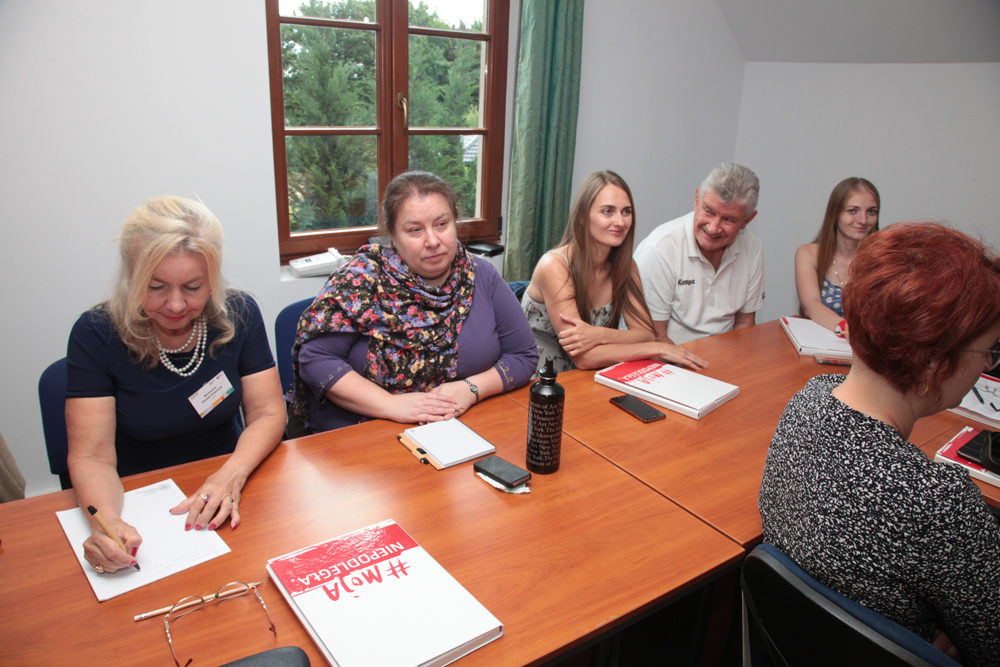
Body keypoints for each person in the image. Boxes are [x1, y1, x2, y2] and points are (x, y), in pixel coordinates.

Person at [759, 223, 1000, 666]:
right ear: (933, 365)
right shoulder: (939, 503)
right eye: (988, 350)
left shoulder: (806, 401)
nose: (988, 363)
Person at [66, 196, 286, 575]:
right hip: (137, 497)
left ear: (213, 278)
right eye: (155, 287)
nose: (175, 305)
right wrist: (108, 522)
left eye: (193, 286)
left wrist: (231, 476)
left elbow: (268, 413)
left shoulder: (240, 313)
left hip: (231, 479)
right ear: (131, 276)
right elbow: (92, 456)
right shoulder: (96, 333)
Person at [290, 171, 538, 433]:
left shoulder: (480, 274)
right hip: (362, 432)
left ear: (455, 221)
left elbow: (523, 355)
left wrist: (472, 388)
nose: (433, 241)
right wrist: (390, 404)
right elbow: (314, 360)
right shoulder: (359, 280)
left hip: (459, 429)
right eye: (415, 230)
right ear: (393, 235)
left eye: (441, 224)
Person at [521, 170, 708, 373]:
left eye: (626, 212)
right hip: (543, 379)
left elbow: (645, 333)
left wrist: (598, 334)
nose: (620, 222)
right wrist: (658, 348)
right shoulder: (554, 266)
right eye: (607, 211)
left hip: (596, 374)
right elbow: (584, 357)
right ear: (582, 216)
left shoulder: (625, 265)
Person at [633, 163, 763, 344]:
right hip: (670, 354)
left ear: (748, 220)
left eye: (728, 219)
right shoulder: (659, 249)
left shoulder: (752, 245)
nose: (713, 228)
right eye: (709, 211)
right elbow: (655, 338)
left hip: (725, 354)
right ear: (696, 199)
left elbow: (744, 323)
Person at [794, 177, 880, 334]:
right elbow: (811, 305)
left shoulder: (882, 259)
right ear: (835, 213)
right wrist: (846, 330)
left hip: (867, 345)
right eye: (853, 211)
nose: (863, 220)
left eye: (871, 212)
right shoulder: (808, 254)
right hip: (822, 341)